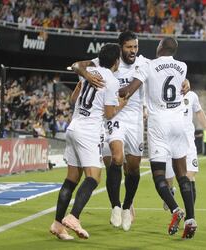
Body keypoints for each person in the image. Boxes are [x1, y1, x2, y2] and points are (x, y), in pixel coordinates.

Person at [119, 37, 197, 239]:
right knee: (182, 175)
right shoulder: (182, 66)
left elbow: (129, 90)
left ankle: (174, 209)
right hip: (178, 123)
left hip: (158, 124)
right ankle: (191, 218)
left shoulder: (148, 65)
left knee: (159, 176)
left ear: (160, 47)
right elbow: (181, 82)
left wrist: (116, 89)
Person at [71, 31, 148, 231]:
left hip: (135, 121)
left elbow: (162, 76)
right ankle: (115, 205)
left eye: (135, 47)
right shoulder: (106, 61)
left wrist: (186, 82)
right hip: (114, 116)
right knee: (116, 157)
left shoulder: (143, 63)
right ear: (120, 47)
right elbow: (77, 65)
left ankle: (127, 205)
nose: (133, 51)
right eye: (129, 47)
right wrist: (86, 74)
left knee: (134, 166)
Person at [49, 43, 127, 240]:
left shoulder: (88, 71)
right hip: (89, 132)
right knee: (93, 177)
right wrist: (121, 105)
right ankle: (74, 217)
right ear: (116, 61)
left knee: (71, 179)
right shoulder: (111, 80)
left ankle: (58, 224)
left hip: (74, 127)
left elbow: (74, 99)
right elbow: (109, 115)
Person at [164, 90, 206, 210]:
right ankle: (170, 190)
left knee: (189, 176)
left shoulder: (192, 96)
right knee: (168, 178)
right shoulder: (169, 94)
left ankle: (189, 215)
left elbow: (199, 112)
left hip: (188, 144)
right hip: (171, 141)